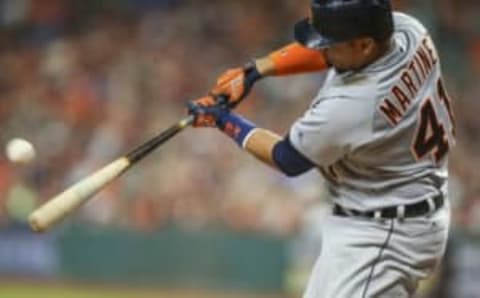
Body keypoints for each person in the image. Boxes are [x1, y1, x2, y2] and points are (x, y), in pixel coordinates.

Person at [187, 0, 456, 297]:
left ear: (365, 44)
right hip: (395, 211)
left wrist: (224, 121)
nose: (322, 50)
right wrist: (254, 72)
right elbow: (333, 53)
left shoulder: (356, 105)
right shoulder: (409, 31)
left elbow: (287, 158)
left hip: (384, 235)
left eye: (330, 43)